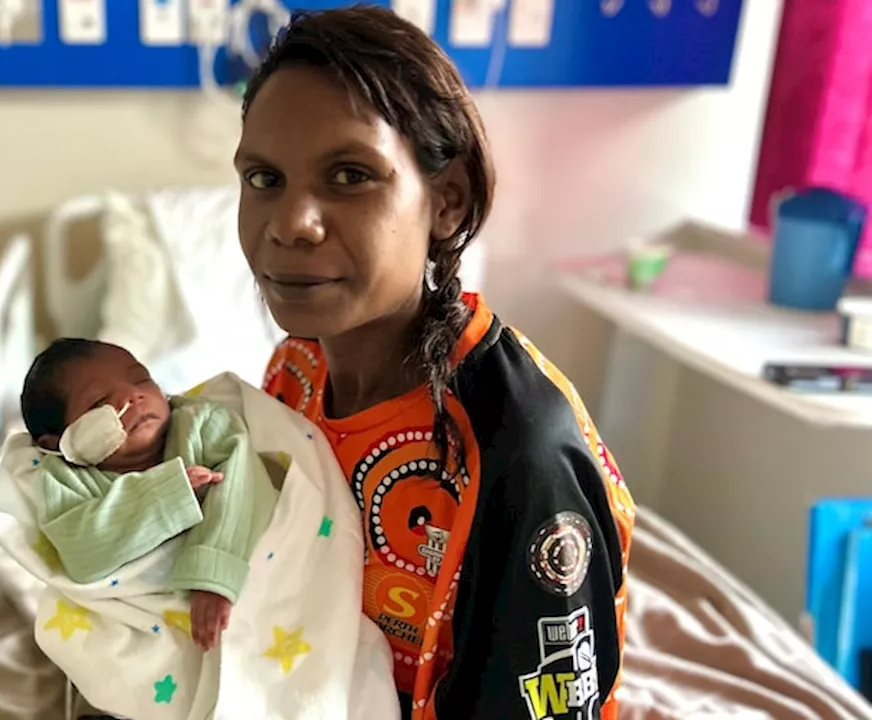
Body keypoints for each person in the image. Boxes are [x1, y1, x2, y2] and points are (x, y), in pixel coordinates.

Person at [238, 7, 636, 720]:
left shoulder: (516, 455)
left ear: (446, 202)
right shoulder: (293, 372)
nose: (290, 222)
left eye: (351, 175)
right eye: (264, 178)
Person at [19, 338, 278, 652]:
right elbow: (82, 553)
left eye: (140, 378)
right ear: (58, 443)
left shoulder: (202, 425)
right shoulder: (65, 479)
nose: (133, 394)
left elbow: (243, 489)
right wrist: (167, 493)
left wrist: (214, 574)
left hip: (247, 593)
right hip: (144, 633)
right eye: (100, 402)